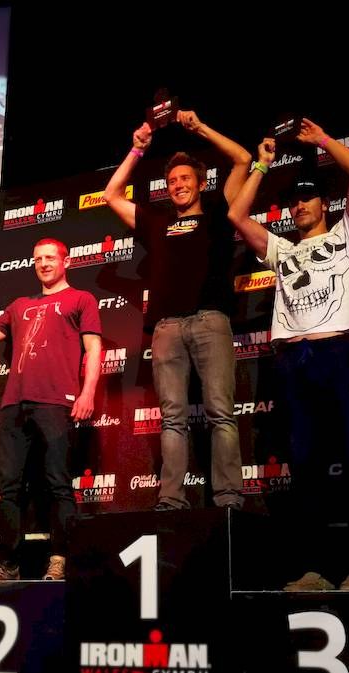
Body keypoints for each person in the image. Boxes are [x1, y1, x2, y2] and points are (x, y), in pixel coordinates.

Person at [226, 121, 349, 591]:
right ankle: (313, 569)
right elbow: (236, 214)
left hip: (340, 353)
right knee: (304, 466)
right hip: (294, 362)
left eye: (307, 198)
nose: (299, 206)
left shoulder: (346, 235)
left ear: (324, 204)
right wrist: (261, 164)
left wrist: (324, 142)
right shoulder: (281, 249)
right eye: (293, 201)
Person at [103, 110, 249, 512]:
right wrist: (137, 149)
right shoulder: (156, 223)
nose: (178, 185)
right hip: (166, 328)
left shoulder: (219, 213)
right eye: (171, 181)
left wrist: (200, 128)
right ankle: (171, 498)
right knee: (172, 419)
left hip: (210, 320)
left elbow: (243, 160)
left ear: (201, 183)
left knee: (221, 413)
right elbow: (111, 194)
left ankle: (229, 499)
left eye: (185, 179)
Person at [0, 238, 102, 581]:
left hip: (56, 403)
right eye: (38, 259)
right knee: (9, 486)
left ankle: (59, 558)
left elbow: (94, 349)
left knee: (57, 483)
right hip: (14, 405)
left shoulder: (81, 299)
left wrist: (87, 393)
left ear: (66, 262)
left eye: (50, 257)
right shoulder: (20, 305)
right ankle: (7, 563)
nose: (44, 264)